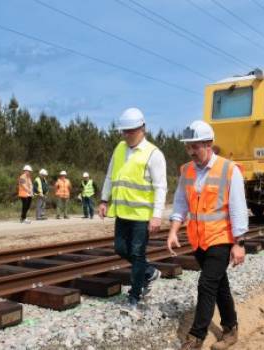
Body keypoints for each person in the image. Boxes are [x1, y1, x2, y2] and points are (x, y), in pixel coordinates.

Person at [166, 120, 248, 350]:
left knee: (206, 285)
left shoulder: (229, 170)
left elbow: (238, 208)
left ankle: (195, 337)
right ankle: (231, 329)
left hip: (221, 238)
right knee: (219, 285)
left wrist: (239, 243)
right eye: (188, 146)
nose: (191, 151)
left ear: (209, 143)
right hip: (199, 240)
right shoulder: (187, 170)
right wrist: (174, 230)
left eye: (196, 146)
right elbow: (181, 203)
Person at [98, 107, 167, 315]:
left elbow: (160, 187)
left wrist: (157, 215)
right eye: (124, 131)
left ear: (142, 129)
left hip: (141, 216)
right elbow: (111, 176)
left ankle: (135, 296)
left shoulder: (153, 154)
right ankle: (150, 272)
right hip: (121, 212)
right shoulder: (119, 148)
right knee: (120, 249)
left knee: (137, 254)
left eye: (130, 131)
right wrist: (103, 199)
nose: (126, 135)